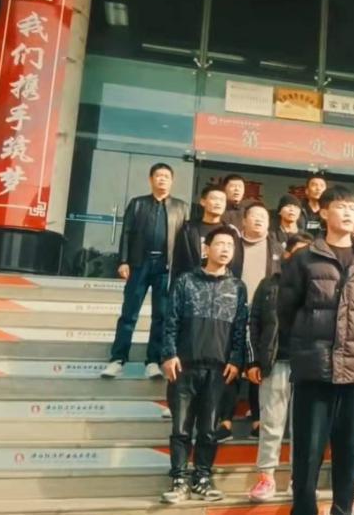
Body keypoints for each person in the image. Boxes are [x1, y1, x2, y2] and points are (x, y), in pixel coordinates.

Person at [277, 185, 354, 515]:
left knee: (348, 450)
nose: (349, 212)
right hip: (315, 367)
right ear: (323, 213)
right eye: (341, 207)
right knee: (308, 451)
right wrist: (309, 343)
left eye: (353, 207)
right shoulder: (304, 259)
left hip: (353, 368)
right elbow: (286, 310)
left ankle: (343, 510)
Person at [159, 225, 247, 504]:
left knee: (209, 429)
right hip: (183, 366)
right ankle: (179, 480)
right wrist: (168, 354)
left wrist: (236, 360)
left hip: (218, 369)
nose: (225, 250)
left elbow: (240, 329)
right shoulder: (185, 281)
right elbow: (170, 320)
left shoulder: (238, 287)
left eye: (230, 246)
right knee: (181, 428)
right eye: (220, 244)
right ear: (206, 249)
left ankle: (203, 478)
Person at [102, 163, 189, 380]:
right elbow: (126, 233)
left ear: (172, 181)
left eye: (166, 176)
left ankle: (152, 362)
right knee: (129, 313)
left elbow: (185, 240)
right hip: (139, 264)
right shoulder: (138, 204)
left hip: (166, 267)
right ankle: (117, 359)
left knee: (161, 315)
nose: (162, 179)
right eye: (158, 175)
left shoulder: (181, 207)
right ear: (151, 179)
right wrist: (124, 261)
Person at [246, 232, 313, 502]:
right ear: (286, 255)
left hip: (307, 365)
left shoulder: (318, 284)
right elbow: (254, 323)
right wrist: (253, 360)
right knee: (271, 423)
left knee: (304, 427)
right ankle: (267, 477)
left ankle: (299, 480)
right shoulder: (268, 285)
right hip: (275, 363)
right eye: (298, 252)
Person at [216, 202, 282, 443]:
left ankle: (258, 419)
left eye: (264, 216)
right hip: (233, 308)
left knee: (258, 363)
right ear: (244, 220)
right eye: (254, 215)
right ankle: (224, 420)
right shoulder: (232, 245)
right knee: (230, 362)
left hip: (263, 312)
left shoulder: (276, 247)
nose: (259, 219)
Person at [172, 185, 244, 280]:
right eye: (214, 199)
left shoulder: (231, 232)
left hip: (221, 283)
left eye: (222, 200)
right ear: (203, 202)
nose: (218, 203)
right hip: (192, 282)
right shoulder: (188, 229)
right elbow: (179, 262)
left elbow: (235, 265)